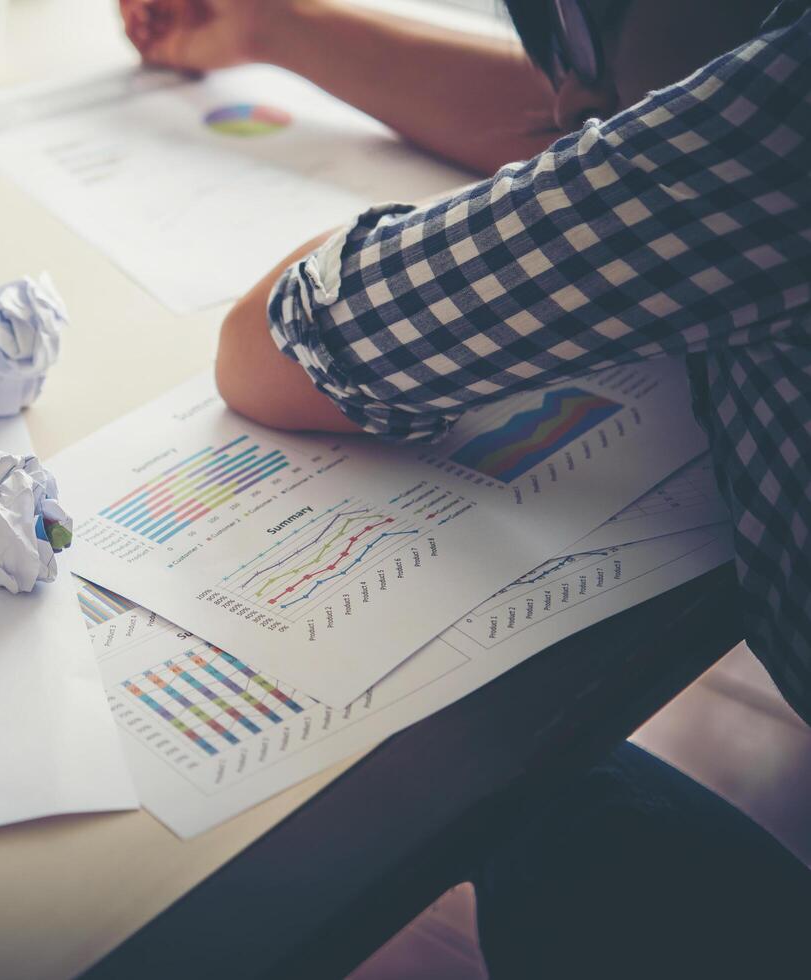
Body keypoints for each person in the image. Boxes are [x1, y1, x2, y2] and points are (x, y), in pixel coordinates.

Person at [121, 0, 811, 975]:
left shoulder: (770, 126)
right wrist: (264, 27)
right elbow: (622, 114)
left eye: (584, 28)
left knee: (506, 773)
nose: (570, 94)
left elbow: (277, 346)